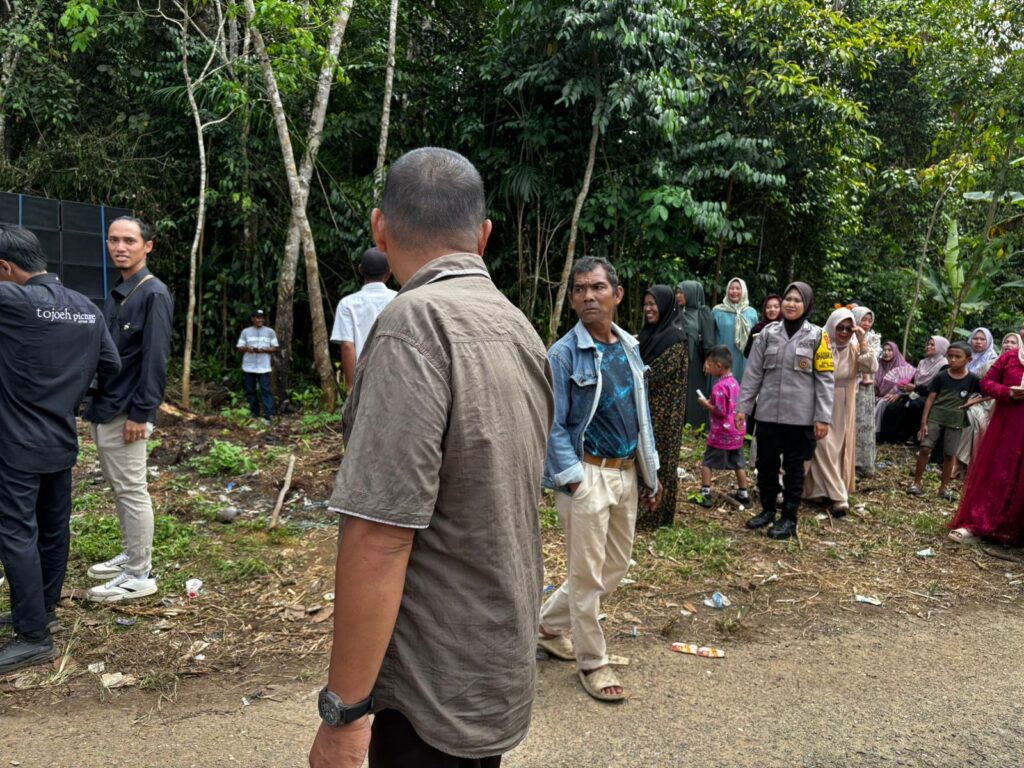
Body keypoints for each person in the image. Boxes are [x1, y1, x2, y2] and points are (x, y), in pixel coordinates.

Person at [308, 148, 553, 768]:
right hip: (494, 659)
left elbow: (379, 535)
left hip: (428, 686)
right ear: (484, 235)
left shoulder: (412, 327)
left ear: (380, 229)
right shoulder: (519, 327)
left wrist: (344, 716)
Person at [538, 256, 660, 703]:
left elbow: (640, 415)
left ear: (617, 294)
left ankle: (546, 625)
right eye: (580, 289)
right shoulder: (563, 354)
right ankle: (592, 661)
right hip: (586, 474)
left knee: (615, 567)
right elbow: (551, 423)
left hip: (626, 472)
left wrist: (650, 473)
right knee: (587, 576)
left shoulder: (629, 346)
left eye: (598, 287)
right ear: (572, 299)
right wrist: (574, 480)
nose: (588, 296)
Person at [0, 227, 120, 674]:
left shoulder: (13, 301)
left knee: (16, 533)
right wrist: (69, 397)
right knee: (52, 529)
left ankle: (33, 636)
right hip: (61, 435)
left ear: (5, 267)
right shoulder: (86, 308)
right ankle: (42, 609)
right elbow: (110, 365)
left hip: (16, 440)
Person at [84, 216, 173, 603]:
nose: (120, 247)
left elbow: (155, 359)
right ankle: (131, 554)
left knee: (132, 491)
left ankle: (139, 574)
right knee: (121, 489)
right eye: (114, 240)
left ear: (147, 246)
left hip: (127, 412)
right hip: (107, 406)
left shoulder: (153, 293)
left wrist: (142, 413)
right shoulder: (122, 290)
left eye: (129, 241)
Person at [736, 282, 834, 540]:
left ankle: (789, 518)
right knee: (765, 465)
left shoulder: (818, 337)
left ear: (807, 305)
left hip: (800, 418)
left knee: (794, 469)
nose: (791, 304)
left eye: (797, 300)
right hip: (768, 413)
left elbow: (825, 380)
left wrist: (823, 417)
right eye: (788, 299)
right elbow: (753, 374)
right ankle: (768, 510)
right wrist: (743, 407)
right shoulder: (767, 334)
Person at [948, 339, 1024, 544]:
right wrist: (1008, 392)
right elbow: (987, 382)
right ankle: (980, 523)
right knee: (999, 470)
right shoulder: (1010, 358)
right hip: (1007, 426)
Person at [803, 308, 878, 515]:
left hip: (843, 404)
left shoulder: (855, 348)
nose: (844, 332)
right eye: (839, 328)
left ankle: (822, 492)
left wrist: (862, 341)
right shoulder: (820, 345)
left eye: (848, 328)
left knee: (836, 449)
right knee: (822, 445)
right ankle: (838, 496)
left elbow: (871, 367)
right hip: (820, 400)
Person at [636, 285, 687, 529]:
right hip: (645, 407)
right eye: (646, 304)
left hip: (666, 413)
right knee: (641, 458)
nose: (648, 309)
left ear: (665, 306)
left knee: (661, 460)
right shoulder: (648, 334)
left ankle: (658, 516)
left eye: (653, 304)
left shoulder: (675, 338)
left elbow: (653, 374)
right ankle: (639, 510)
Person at [906, 342, 980, 499]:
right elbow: (930, 399)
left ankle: (944, 488)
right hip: (935, 416)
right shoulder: (941, 376)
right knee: (925, 448)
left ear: (968, 360)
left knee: (949, 454)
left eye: (958, 357)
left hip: (955, 420)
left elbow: (988, 393)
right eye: (950, 356)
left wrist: (972, 401)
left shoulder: (973, 379)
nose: (953, 360)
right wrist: (924, 422)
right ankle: (916, 483)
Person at [330, 247, 398, 390]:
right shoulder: (400, 299)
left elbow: (347, 346)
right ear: (388, 273)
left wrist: (351, 386)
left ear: (360, 270)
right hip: (395, 376)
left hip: (364, 380)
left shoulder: (347, 304)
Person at [954, 332, 1022, 469]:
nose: (1008, 345)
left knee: (975, 418)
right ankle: (956, 461)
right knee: (968, 415)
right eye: (1006, 341)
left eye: (1013, 342)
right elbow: (982, 384)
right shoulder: (992, 363)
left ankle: (963, 463)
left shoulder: (1015, 363)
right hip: (985, 399)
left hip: (996, 402)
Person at [693, 346, 750, 509]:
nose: (707, 368)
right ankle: (743, 495)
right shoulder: (734, 383)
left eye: (709, 365)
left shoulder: (719, 387)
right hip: (736, 433)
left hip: (721, 434)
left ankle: (705, 494)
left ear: (718, 366)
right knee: (738, 463)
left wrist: (705, 404)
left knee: (707, 462)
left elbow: (720, 411)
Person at [877, 336, 949, 445]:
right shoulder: (923, 362)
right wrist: (901, 394)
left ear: (941, 347)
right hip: (915, 393)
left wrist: (916, 388)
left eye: (932, 345)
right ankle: (888, 438)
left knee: (915, 405)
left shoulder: (944, 365)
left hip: (930, 396)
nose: (928, 347)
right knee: (893, 406)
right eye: (928, 344)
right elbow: (913, 382)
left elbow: (937, 388)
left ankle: (911, 437)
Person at [675, 280, 716, 429]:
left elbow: (708, 339)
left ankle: (694, 429)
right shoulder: (676, 312)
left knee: (694, 395)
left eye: (681, 292)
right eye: (677, 292)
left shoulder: (702, 313)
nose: (678, 295)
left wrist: (708, 359)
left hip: (696, 362)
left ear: (691, 294)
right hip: (677, 360)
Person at [851, 307, 881, 478]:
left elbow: (871, 362)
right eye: (863, 319)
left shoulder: (873, 338)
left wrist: (863, 342)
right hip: (848, 383)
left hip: (864, 389)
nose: (867, 323)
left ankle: (862, 464)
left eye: (870, 320)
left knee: (863, 422)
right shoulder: (845, 334)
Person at [712, 277, 759, 385]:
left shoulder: (751, 313)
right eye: (731, 288)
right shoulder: (717, 311)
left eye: (738, 288)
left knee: (742, 387)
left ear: (744, 291)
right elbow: (710, 336)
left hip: (744, 359)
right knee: (721, 389)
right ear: (727, 290)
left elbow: (756, 340)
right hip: (721, 359)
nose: (734, 291)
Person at [236, 309, 279, 420]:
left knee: (266, 390)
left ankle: (269, 414)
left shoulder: (270, 331)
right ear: (252, 319)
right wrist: (247, 349)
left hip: (263, 367)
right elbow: (239, 347)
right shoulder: (246, 332)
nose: (259, 320)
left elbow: (275, 347)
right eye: (257, 317)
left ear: (263, 319)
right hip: (249, 366)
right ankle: (254, 413)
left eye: (261, 317)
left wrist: (264, 350)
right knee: (250, 391)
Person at [872, 341, 915, 434]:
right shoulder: (878, 365)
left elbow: (907, 387)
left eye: (890, 350)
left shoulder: (903, 366)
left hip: (898, 396)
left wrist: (898, 395)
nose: (886, 352)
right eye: (884, 350)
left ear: (895, 351)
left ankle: (875, 430)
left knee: (883, 402)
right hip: (879, 395)